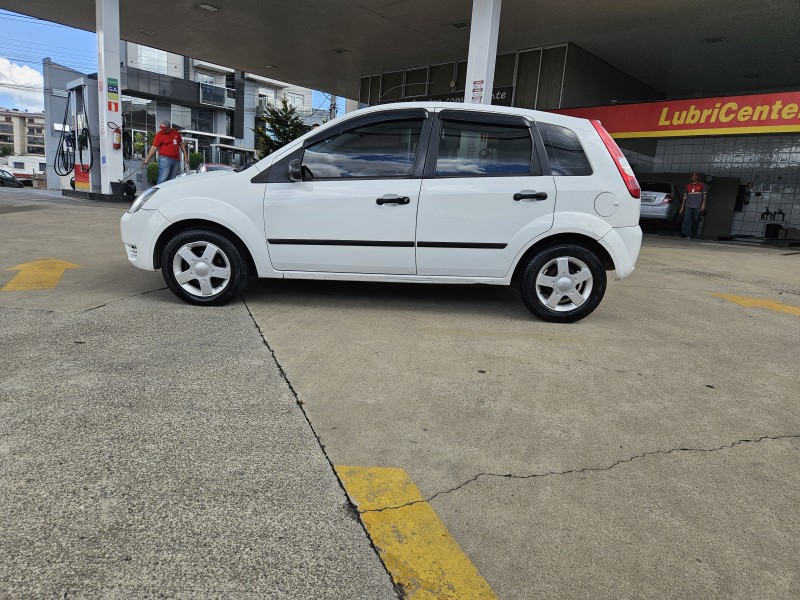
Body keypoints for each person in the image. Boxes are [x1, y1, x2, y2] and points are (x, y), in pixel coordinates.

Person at [679, 171, 707, 239]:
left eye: (695, 175)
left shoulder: (702, 185)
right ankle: (685, 233)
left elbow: (705, 196)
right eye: (693, 176)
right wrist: (682, 207)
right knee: (686, 219)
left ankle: (693, 234)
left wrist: (703, 205)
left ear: (697, 177)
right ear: (691, 177)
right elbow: (685, 197)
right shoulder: (688, 186)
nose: (694, 177)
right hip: (688, 206)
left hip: (697, 206)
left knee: (696, 220)